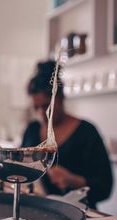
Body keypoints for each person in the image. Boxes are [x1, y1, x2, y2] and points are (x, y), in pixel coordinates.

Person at [21, 60, 113, 209]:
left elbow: (105, 187)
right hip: (37, 210)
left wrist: (72, 180)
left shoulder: (87, 132)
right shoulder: (32, 130)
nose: (41, 114)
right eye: (36, 107)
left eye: (46, 106)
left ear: (61, 98)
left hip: (80, 214)